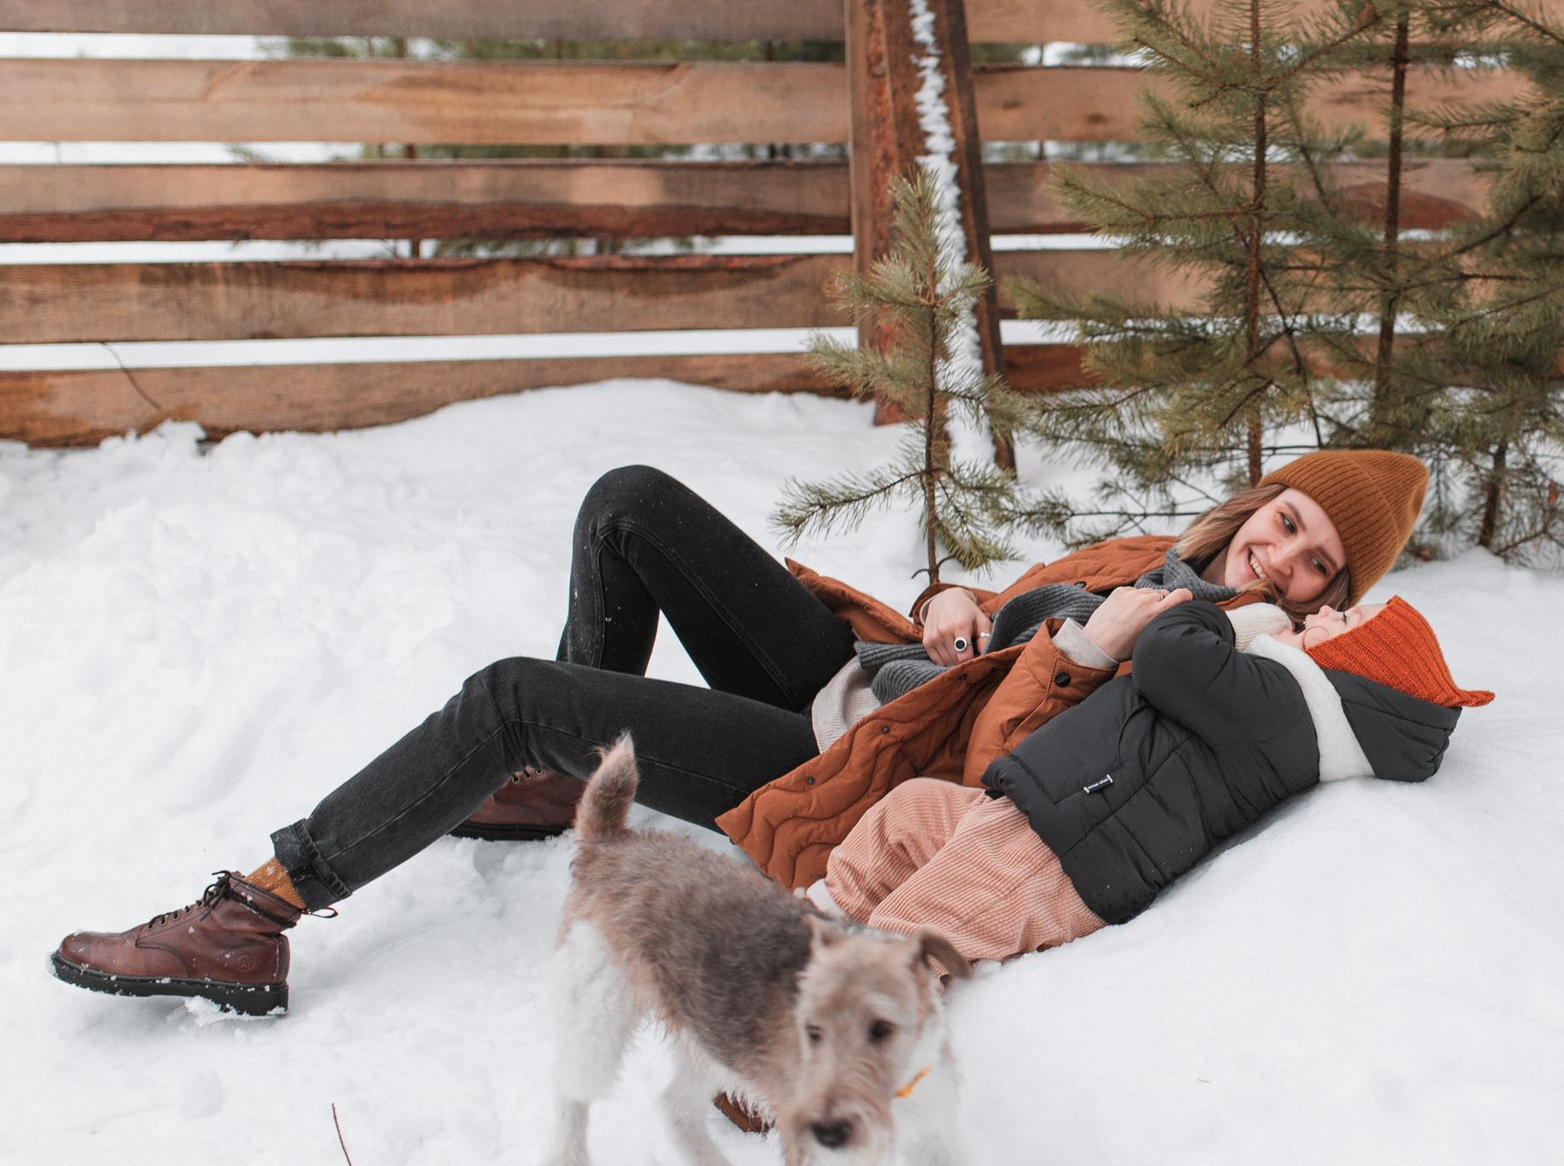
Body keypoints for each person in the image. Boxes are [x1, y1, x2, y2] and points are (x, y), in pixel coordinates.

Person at [49, 451, 1431, 1015]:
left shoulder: (1212, 646)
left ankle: (259, 908)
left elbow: (991, 769)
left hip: (846, 769)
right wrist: (958, 598)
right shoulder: (1152, 550)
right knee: (630, 500)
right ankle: (550, 778)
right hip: (859, 673)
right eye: (1291, 515)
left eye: (1317, 562)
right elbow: (996, 614)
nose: (1283, 553)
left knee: (513, 689)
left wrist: (1079, 649)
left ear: (1330, 597)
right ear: (1268, 494)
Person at [824, 592, 1494, 966]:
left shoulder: (1287, 705)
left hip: (1062, 851)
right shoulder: (1287, 708)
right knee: (907, 812)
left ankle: (811, 1067)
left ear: (1354, 667)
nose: (1318, 614)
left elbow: (1167, 656)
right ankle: (812, 929)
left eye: (1342, 621)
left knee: (906, 940)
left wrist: (1228, 619)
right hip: (1049, 813)